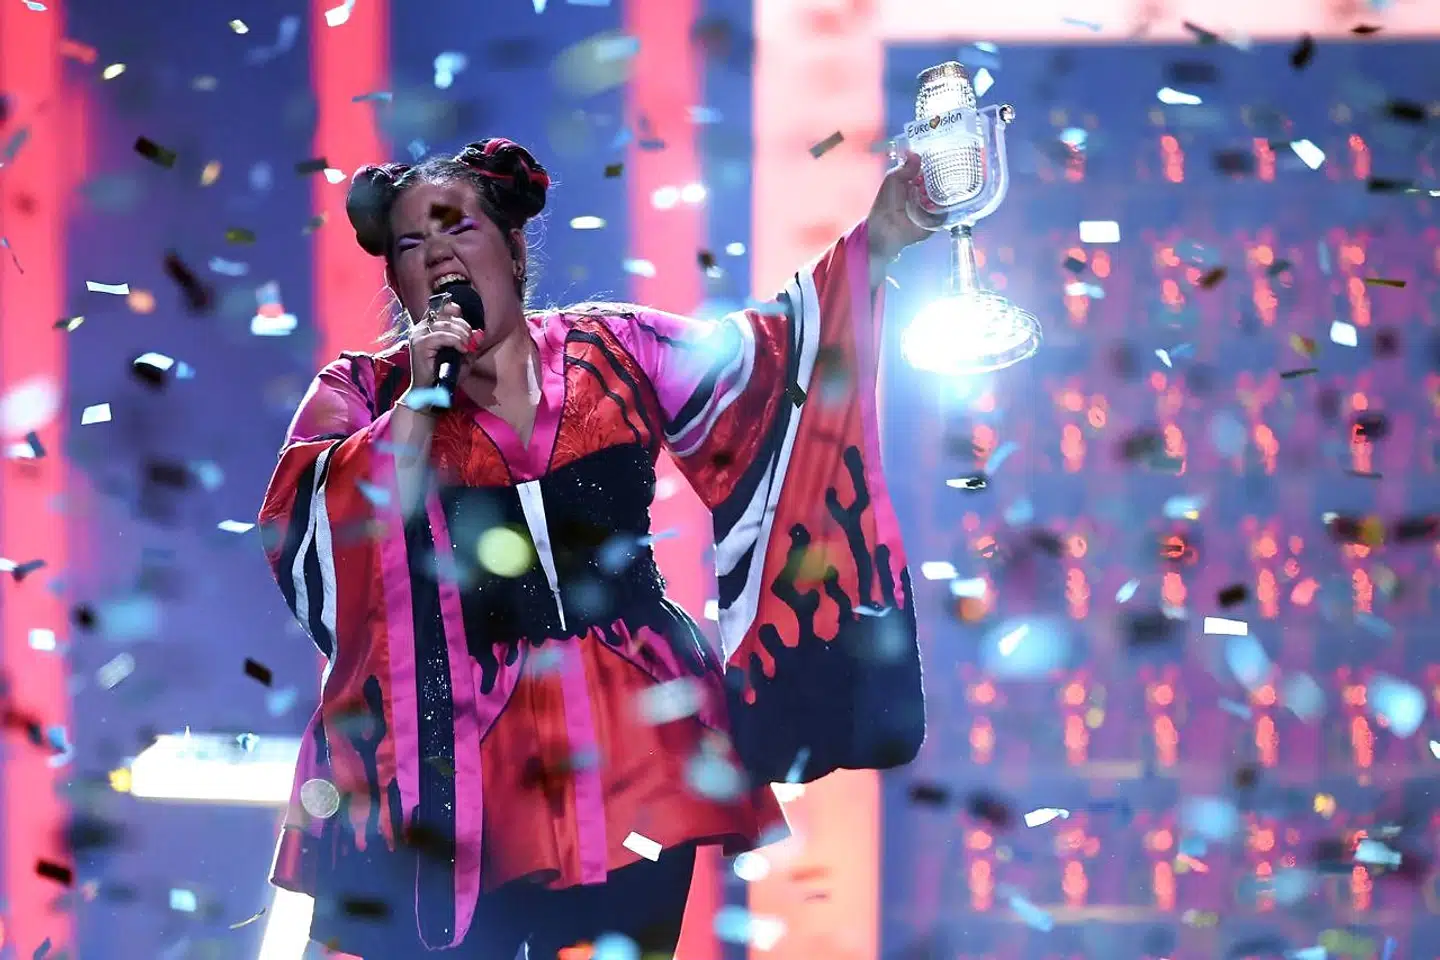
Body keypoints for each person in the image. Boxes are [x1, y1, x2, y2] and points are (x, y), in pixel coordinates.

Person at [258, 136, 930, 958]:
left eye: (459, 228)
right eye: (409, 244)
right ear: (396, 282)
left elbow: (766, 370)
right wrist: (418, 410)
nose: (437, 255)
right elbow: (311, 532)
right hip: (459, 759)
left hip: (638, 735)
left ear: (511, 248)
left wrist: (881, 239)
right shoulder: (362, 391)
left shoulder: (616, 349)